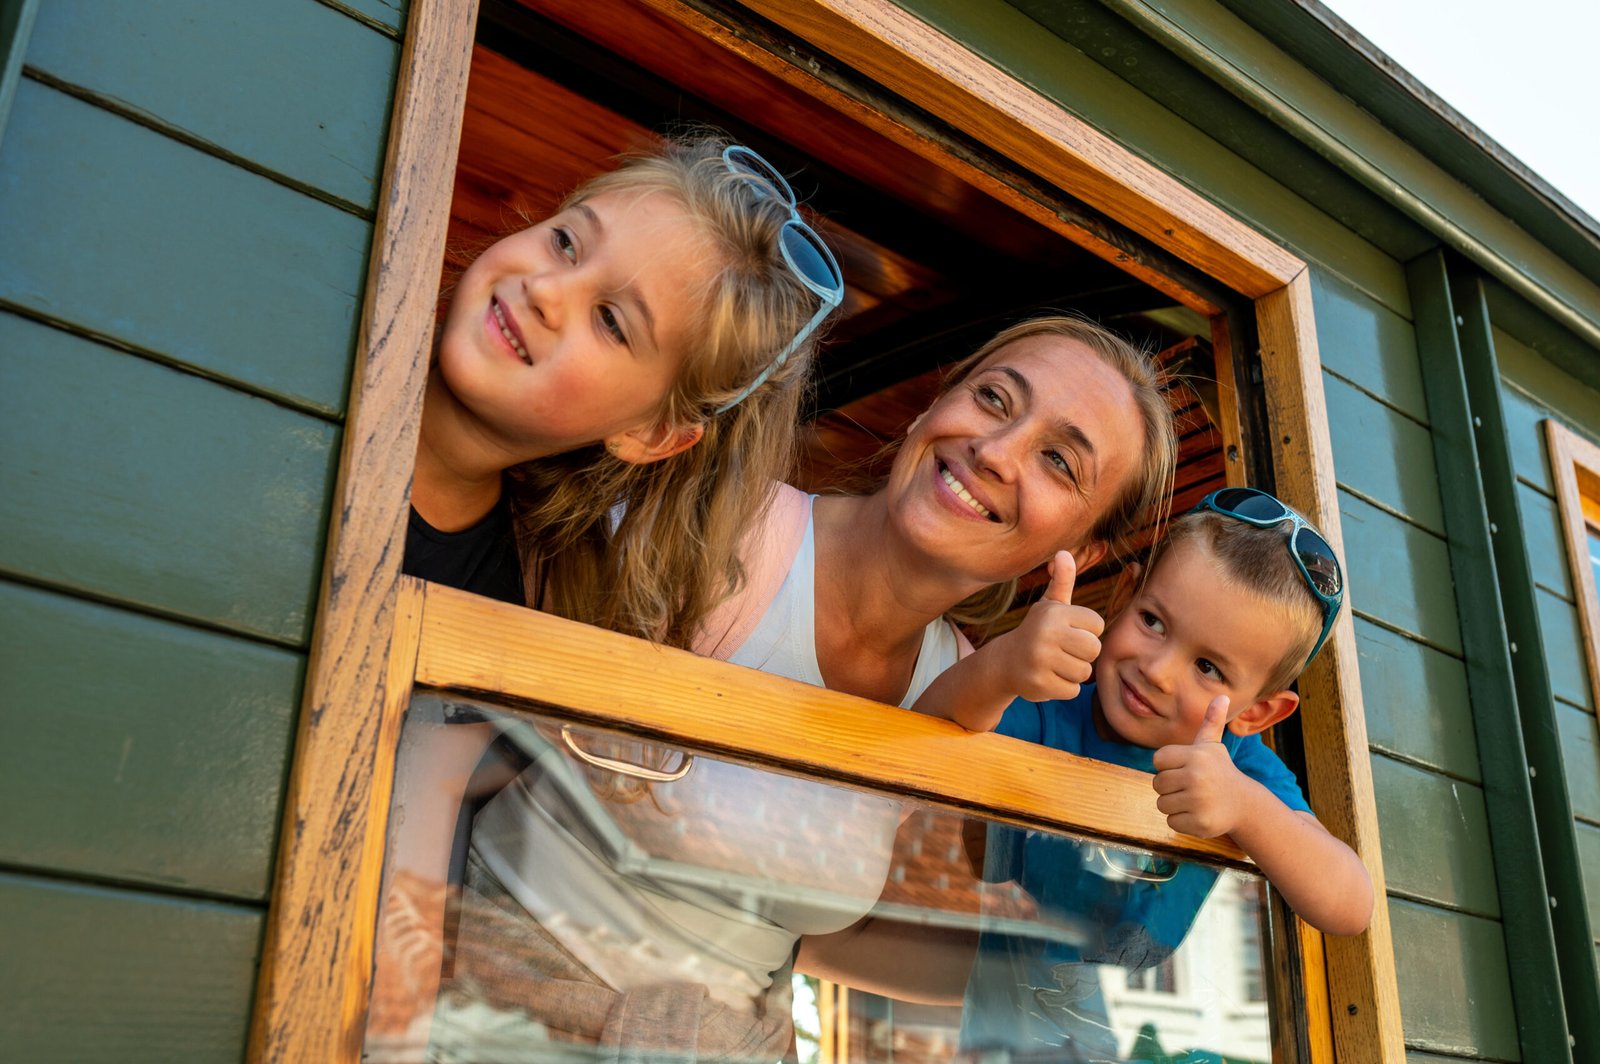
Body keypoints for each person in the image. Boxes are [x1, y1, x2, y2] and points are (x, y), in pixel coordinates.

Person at [442, 315, 1180, 1060]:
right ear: (931, 408)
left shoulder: (956, 679)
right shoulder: (715, 524)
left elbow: (821, 925)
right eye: (992, 399)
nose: (995, 452)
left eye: (1058, 459)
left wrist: (1057, 962)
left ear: (1078, 549)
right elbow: (460, 736)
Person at [367, 133, 844, 1057]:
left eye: (613, 322)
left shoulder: (520, 616)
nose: (548, 290)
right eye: (566, 242)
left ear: (650, 434)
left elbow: (402, 893)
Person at [952, 488, 1374, 1058]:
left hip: (1158, 1014)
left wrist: (1245, 809)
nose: (1157, 671)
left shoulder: (1236, 768)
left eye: (1208, 667)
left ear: (1255, 713)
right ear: (1124, 595)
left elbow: (1349, 903)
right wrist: (1003, 665)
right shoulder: (1050, 698)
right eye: (1153, 621)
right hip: (1004, 989)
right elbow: (930, 737)